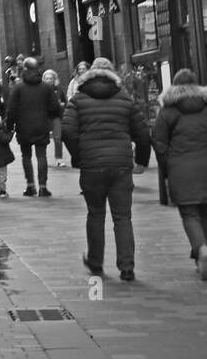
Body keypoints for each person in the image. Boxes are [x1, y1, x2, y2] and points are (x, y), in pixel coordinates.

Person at [62, 57, 152, 282]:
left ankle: (95, 262)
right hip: (121, 164)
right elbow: (142, 133)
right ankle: (127, 266)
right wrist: (141, 161)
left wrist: (78, 156)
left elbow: (68, 132)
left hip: (92, 166)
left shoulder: (79, 99)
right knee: (123, 217)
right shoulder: (125, 99)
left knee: (96, 214)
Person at [152, 69, 207, 280]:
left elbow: (159, 143)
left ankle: (202, 249)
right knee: (204, 211)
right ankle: (201, 255)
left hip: (180, 167)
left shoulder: (167, 112)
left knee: (189, 213)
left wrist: (167, 164)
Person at [6, 57, 62, 197]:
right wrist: (48, 117)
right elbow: (55, 108)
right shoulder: (46, 87)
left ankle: (30, 186)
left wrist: (9, 125)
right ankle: (43, 187)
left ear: (24, 69)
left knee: (26, 156)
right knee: (41, 156)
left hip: (23, 126)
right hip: (41, 125)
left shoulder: (18, 87)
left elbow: (11, 109)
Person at [43, 68, 66, 166]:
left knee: (58, 138)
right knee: (43, 139)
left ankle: (58, 159)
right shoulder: (41, 90)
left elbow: (65, 101)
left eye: (51, 78)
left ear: (54, 79)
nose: (49, 80)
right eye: (47, 78)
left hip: (56, 116)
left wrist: (62, 105)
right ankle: (42, 158)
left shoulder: (59, 89)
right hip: (45, 116)